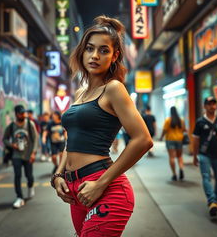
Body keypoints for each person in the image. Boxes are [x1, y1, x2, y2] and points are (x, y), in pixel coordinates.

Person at [50, 16, 153, 236]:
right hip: (76, 189)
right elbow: (72, 141)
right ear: (82, 51)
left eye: (104, 50)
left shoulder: (114, 89)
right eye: (90, 48)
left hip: (106, 188)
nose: (95, 56)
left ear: (115, 55)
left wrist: (100, 184)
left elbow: (143, 139)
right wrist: (58, 175)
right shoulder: (80, 93)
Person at [192, 96, 217, 217]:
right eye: (209, 104)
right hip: (204, 155)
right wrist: (195, 155)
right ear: (205, 106)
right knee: (206, 177)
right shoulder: (200, 122)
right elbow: (196, 140)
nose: (212, 106)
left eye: (214, 104)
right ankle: (212, 201)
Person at [3, 105, 38, 209]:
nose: (23, 115)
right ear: (16, 114)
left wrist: (33, 153)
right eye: (21, 113)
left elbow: (35, 139)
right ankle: (19, 197)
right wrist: (12, 145)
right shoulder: (12, 126)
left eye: (24, 113)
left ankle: (30, 186)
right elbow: (4, 139)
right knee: (17, 176)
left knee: (29, 176)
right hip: (16, 155)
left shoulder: (29, 124)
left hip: (28, 155)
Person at [159, 106, 186, 181]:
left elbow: (164, 130)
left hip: (170, 139)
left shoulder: (168, 120)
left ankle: (174, 174)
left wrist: (161, 137)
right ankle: (181, 169)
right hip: (179, 140)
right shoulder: (181, 120)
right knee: (180, 156)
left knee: (172, 157)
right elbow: (184, 130)